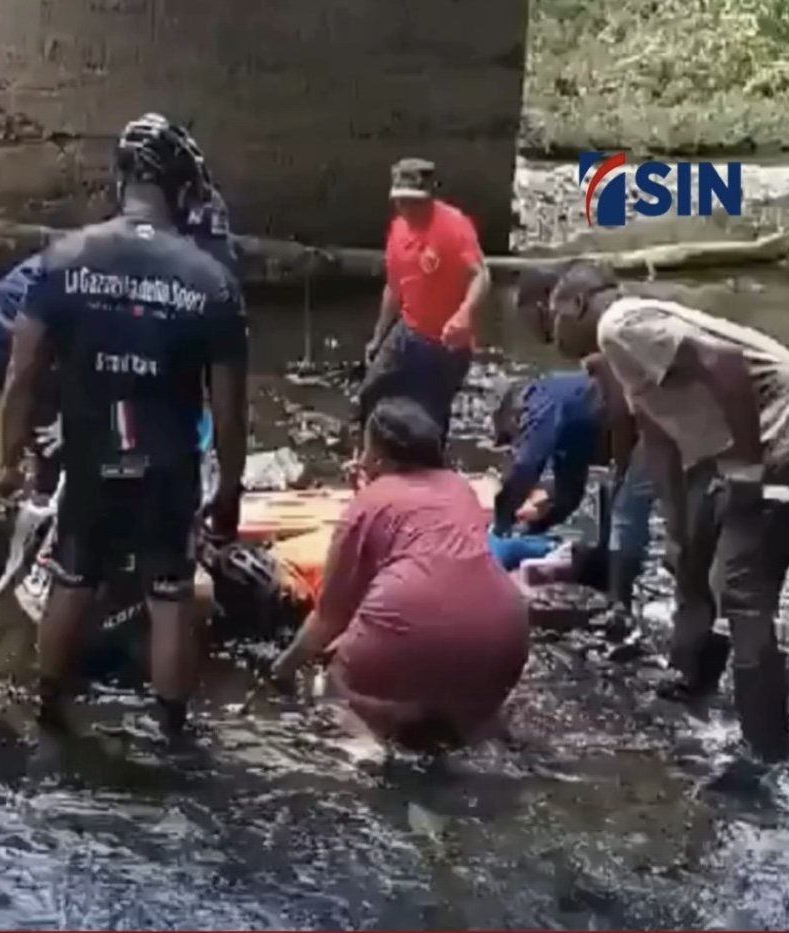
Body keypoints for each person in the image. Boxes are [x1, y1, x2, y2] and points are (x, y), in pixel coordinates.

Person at [0, 115, 249, 737]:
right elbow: (229, 410)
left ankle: (47, 712)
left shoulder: (64, 259)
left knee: (73, 579)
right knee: (170, 597)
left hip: (89, 456)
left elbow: (22, 375)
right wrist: (229, 490)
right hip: (168, 466)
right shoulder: (211, 281)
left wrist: (8, 460)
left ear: (122, 182)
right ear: (182, 188)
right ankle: (172, 733)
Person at [547, 260, 789, 762]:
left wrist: (747, 470)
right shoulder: (626, 353)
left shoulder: (619, 324)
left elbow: (725, 362)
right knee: (695, 558)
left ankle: (767, 753)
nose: (552, 329)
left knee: (742, 590)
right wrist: (679, 526)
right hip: (741, 439)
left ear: (576, 304)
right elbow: (660, 439)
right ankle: (694, 683)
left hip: (786, 423)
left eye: (553, 314)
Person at [0, 113, 237, 491]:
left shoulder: (172, 248)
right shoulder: (161, 257)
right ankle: (38, 491)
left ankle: (40, 472)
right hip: (8, 322)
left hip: (42, 312)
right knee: (73, 434)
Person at [271, 396, 529, 751]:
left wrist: (281, 671)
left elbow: (329, 618)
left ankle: (362, 751)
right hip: (504, 627)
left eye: (364, 449)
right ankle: (488, 740)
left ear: (377, 457)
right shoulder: (459, 487)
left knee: (333, 691)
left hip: (413, 628)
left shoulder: (367, 504)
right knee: (466, 716)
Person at [491, 370, 656, 614]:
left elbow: (526, 466)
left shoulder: (538, 401)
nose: (516, 444)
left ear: (514, 415)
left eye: (509, 438)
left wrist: (501, 522)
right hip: (627, 429)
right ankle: (607, 576)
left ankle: (621, 607)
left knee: (625, 511)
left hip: (650, 423)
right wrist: (530, 529)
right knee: (615, 499)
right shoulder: (568, 430)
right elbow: (569, 495)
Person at [358, 158, 490, 441]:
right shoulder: (398, 229)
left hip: (446, 344)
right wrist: (379, 336)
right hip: (407, 331)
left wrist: (465, 313)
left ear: (430, 197)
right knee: (371, 392)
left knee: (430, 416)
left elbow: (481, 275)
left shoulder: (454, 226)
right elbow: (394, 288)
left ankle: (431, 463)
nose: (407, 208)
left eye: (414, 202)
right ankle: (370, 453)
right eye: (401, 201)